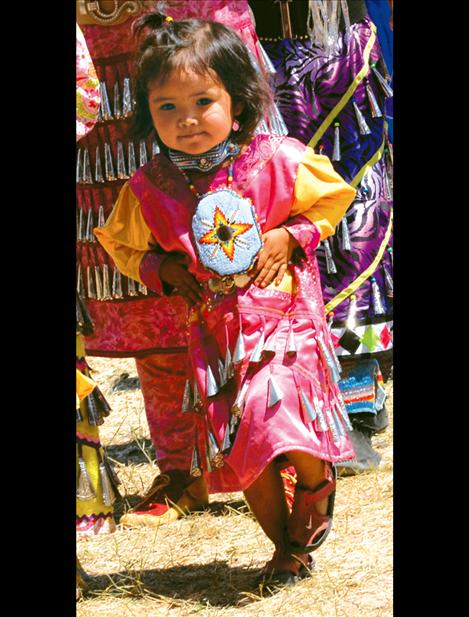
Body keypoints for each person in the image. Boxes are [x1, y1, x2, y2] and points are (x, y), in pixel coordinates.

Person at [95, 11, 356, 584]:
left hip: (283, 326)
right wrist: (160, 265)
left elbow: (334, 198)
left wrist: (290, 236)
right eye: (168, 107)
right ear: (147, 113)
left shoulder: (278, 160)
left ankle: (313, 484)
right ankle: (288, 549)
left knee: (281, 414)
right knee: (244, 453)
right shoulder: (150, 188)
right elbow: (117, 243)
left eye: (202, 102)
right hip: (215, 342)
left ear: (237, 103)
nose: (187, 120)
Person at [76, 0, 291, 528]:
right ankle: (180, 470)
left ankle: (270, 453)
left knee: (242, 282)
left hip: (193, 32)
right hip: (98, 63)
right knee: (147, 287)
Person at [249, 0, 394, 473]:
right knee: (280, 207)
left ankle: (354, 400)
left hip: (339, 51)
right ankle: (290, 403)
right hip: (257, 49)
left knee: (355, 217)